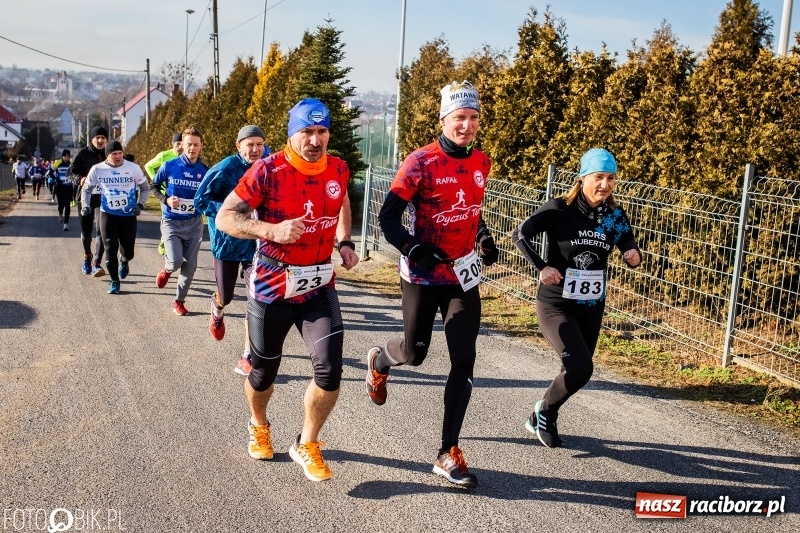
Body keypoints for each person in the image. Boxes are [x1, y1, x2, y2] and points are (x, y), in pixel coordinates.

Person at [215, 98, 359, 482]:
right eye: (307, 132)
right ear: (291, 134)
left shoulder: (338, 168)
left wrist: (345, 241)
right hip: (272, 285)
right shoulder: (268, 170)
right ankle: (258, 423)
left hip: (318, 284)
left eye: (322, 131)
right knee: (263, 372)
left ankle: (306, 442)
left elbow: (342, 199)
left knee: (329, 370)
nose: (315, 140)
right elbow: (225, 217)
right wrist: (270, 230)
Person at [367, 81, 497, 489]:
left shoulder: (482, 161)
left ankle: (447, 451)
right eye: (459, 118)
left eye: (473, 118)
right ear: (443, 119)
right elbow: (388, 219)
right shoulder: (420, 162)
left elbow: (469, 208)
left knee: (464, 358)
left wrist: (483, 236)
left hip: (461, 276)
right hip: (422, 275)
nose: (467, 125)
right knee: (415, 354)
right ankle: (380, 362)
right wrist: (413, 247)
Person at [512, 148, 641, 448]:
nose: (605, 185)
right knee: (581, 368)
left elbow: (628, 244)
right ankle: (546, 412)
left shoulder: (614, 216)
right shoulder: (559, 209)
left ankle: (542, 413)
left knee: (574, 371)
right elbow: (520, 235)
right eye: (599, 177)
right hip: (555, 305)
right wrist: (542, 267)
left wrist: (633, 255)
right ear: (582, 178)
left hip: (591, 307)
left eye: (611, 178)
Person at [195, 125, 271, 376]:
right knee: (226, 296)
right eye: (250, 144)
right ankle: (217, 308)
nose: (256, 149)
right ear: (239, 146)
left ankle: (247, 354)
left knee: (256, 299)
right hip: (226, 242)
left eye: (260, 144)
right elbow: (200, 200)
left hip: (255, 243)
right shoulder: (225, 168)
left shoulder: (268, 165)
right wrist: (232, 213)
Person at [151, 127, 208, 316]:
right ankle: (167, 270)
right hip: (171, 221)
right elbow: (154, 186)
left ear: (201, 146)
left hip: (194, 223)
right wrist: (166, 200)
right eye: (189, 144)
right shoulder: (169, 166)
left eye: (196, 145)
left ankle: (179, 301)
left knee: (190, 266)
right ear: (182, 145)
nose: (192, 148)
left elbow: (209, 194)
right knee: (175, 261)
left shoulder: (204, 171)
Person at [81, 141, 150, 294]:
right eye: (114, 154)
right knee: (110, 248)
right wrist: (85, 205)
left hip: (128, 215)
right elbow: (86, 189)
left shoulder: (133, 168)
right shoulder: (97, 169)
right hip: (108, 215)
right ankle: (114, 282)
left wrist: (140, 205)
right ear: (107, 155)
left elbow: (145, 188)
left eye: (120, 153)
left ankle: (124, 260)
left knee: (128, 251)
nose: (118, 156)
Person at [69, 126, 108, 276]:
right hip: (85, 198)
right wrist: (80, 179)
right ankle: (87, 256)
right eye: (97, 137)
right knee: (86, 232)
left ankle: (96, 263)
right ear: (92, 139)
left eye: (103, 138)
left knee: (101, 229)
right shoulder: (82, 154)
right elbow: (70, 172)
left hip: (104, 198)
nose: (100, 140)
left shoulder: (110, 153)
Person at [145, 133, 183, 256]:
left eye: (182, 144)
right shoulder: (164, 156)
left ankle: (178, 240)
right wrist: (156, 181)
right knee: (166, 217)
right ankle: (164, 241)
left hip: (181, 192)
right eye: (177, 144)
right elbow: (148, 166)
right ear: (172, 144)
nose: (180, 147)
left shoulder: (187, 156)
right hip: (166, 193)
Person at [48, 150, 73, 231]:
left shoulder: (72, 163)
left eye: (68, 157)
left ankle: (66, 224)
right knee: (61, 204)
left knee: (67, 205)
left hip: (69, 187)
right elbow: (50, 173)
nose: (66, 158)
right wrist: (56, 179)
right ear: (62, 157)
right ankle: (60, 213)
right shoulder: (57, 163)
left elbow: (76, 172)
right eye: (65, 157)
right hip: (60, 187)